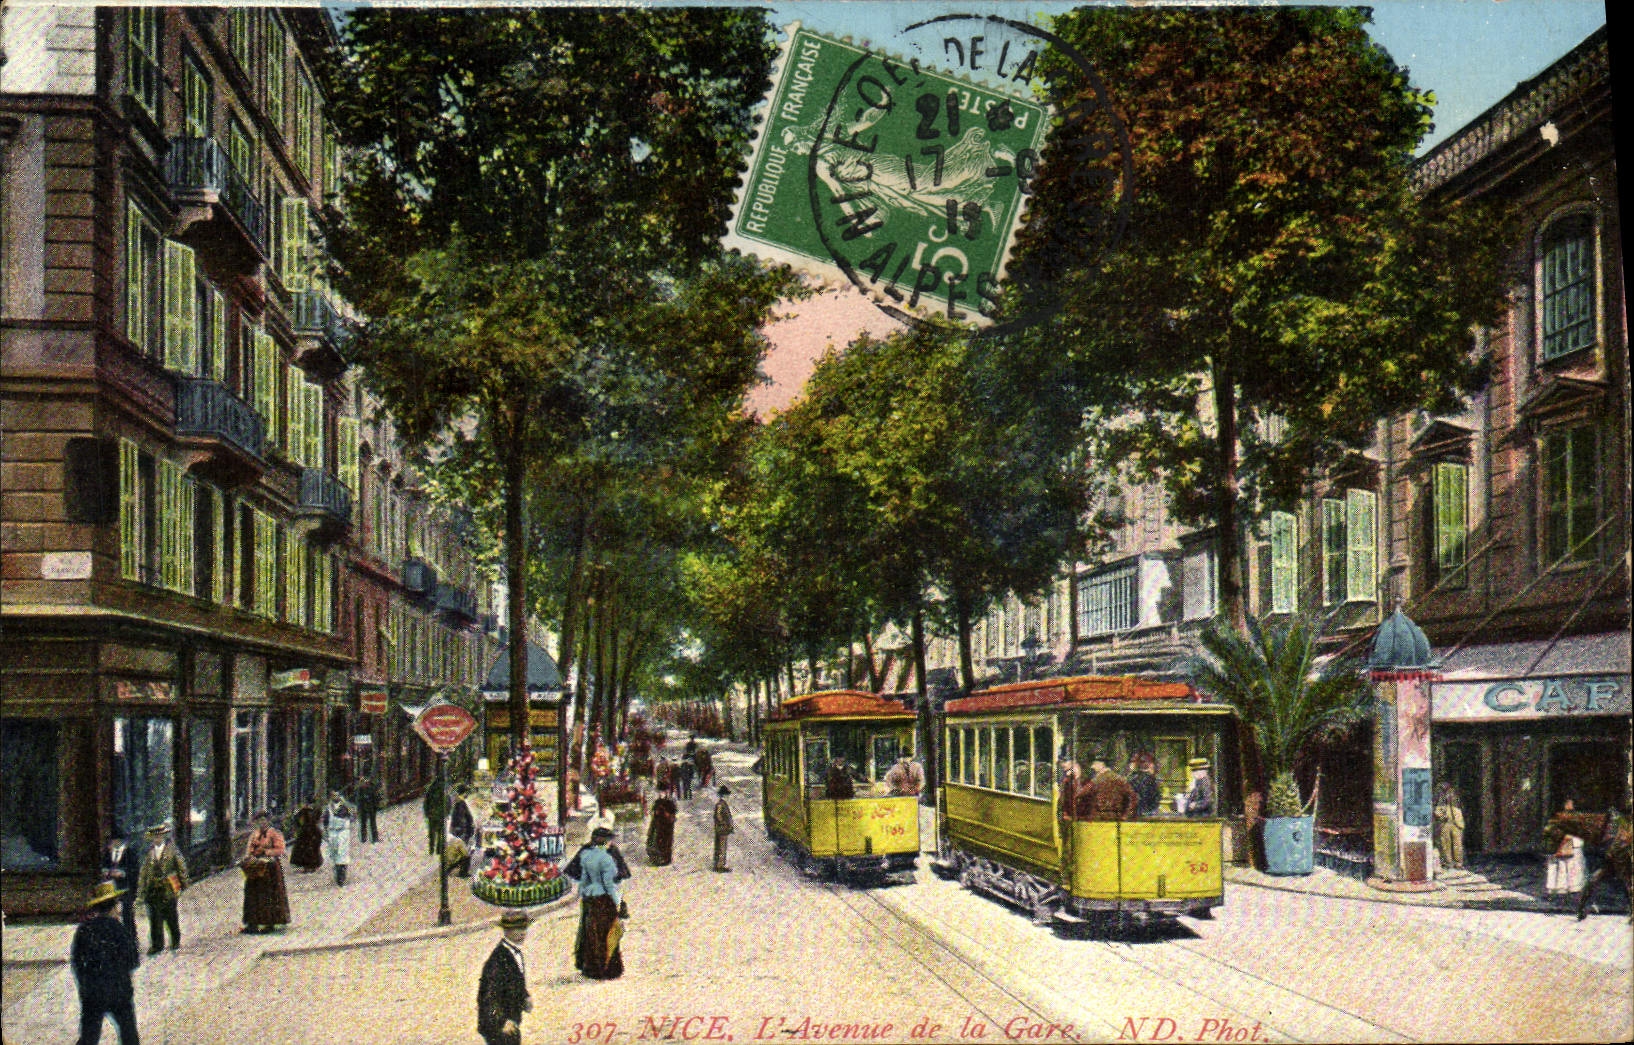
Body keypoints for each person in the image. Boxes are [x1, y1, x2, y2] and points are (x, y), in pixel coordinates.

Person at [71, 880, 141, 1045]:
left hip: (93, 992)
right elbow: (133, 961)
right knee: (128, 1034)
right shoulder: (120, 929)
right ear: (114, 906)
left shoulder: (84, 930)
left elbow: (77, 963)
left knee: (89, 1036)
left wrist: (85, 984)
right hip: (119, 992)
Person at [568, 827, 627, 980]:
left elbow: (578, 876)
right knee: (607, 931)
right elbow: (614, 882)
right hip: (605, 899)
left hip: (590, 898)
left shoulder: (586, 853)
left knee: (590, 930)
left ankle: (590, 965)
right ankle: (608, 968)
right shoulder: (608, 856)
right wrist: (619, 903)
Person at [477, 908, 533, 1045]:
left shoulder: (514, 953)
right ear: (507, 931)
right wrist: (502, 1022)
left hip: (511, 1021)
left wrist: (525, 996)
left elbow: (515, 980)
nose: (523, 933)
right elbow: (487, 997)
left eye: (524, 928)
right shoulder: (497, 960)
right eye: (518, 929)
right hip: (498, 1025)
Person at [135, 822, 188, 955]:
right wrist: (141, 891)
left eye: (159, 836)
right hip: (153, 890)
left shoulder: (172, 850)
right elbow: (144, 873)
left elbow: (181, 867)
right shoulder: (149, 853)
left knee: (171, 916)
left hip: (168, 888)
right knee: (155, 918)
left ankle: (175, 940)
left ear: (164, 837)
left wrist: (183, 884)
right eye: (155, 837)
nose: (157, 839)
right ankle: (157, 944)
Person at [240, 810, 291, 934]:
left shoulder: (274, 833)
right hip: (256, 866)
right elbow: (249, 849)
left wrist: (266, 852)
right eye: (259, 821)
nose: (261, 823)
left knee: (268, 894)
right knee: (253, 894)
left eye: (263, 820)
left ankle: (270, 922)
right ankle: (252, 923)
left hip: (270, 868)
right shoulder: (255, 834)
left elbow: (280, 849)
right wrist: (248, 857)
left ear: (268, 821)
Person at [99, 832, 141, 949]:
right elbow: (103, 866)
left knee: (127, 914)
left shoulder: (130, 853)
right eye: (112, 842)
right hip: (111, 888)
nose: (114, 844)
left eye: (116, 842)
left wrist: (123, 873)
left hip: (126, 888)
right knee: (110, 914)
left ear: (122, 842)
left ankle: (131, 939)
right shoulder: (107, 853)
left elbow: (134, 870)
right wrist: (106, 871)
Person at [1546, 798, 1586, 903]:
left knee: (1574, 868)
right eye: (1567, 803)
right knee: (1561, 868)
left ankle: (1574, 890)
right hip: (1561, 844)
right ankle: (1559, 892)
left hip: (1573, 843)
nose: (1569, 805)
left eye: (1571, 803)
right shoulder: (1558, 817)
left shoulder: (1577, 817)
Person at [322, 791, 353, 887]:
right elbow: (325, 821)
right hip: (333, 832)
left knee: (342, 853)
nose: (336, 797)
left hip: (343, 831)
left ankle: (342, 875)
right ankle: (337, 873)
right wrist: (325, 832)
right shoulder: (328, 808)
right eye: (334, 795)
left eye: (337, 795)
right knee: (334, 853)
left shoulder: (344, 807)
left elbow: (352, 815)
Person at [1433, 782, 1466, 871]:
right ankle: (1448, 862)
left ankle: (1458, 863)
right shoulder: (1439, 796)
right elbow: (1435, 808)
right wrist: (1441, 816)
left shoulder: (1455, 795)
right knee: (1445, 843)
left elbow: (1460, 807)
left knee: (1457, 843)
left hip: (1456, 822)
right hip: (1445, 822)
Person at [450, 784, 477, 878]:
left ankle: (454, 869)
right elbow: (462, 820)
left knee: (461, 852)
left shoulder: (459, 802)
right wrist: (466, 831)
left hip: (460, 831)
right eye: (467, 793)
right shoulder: (460, 803)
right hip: (462, 832)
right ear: (464, 793)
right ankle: (462, 872)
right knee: (465, 853)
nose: (467, 795)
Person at [646, 788, 678, 866]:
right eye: (660, 792)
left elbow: (673, 813)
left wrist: (668, 815)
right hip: (658, 825)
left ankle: (665, 858)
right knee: (655, 841)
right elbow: (653, 812)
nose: (662, 794)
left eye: (663, 792)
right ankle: (656, 858)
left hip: (666, 826)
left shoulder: (670, 802)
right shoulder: (657, 802)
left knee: (666, 842)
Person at [290, 802, 324, 873]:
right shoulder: (312, 810)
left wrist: (299, 826)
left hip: (308, 831)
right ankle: (309, 866)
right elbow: (296, 819)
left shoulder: (306, 810)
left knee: (310, 848)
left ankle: (310, 866)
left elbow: (296, 818)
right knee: (308, 848)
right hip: (309, 831)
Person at [712, 785, 734, 873]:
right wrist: (724, 823)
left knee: (720, 846)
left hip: (721, 828)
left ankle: (718, 864)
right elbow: (718, 815)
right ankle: (720, 865)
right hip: (722, 829)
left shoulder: (721, 803)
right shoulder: (721, 804)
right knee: (722, 847)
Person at [423, 781, 448, 857]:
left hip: (432, 816)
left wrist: (427, 813)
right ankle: (439, 849)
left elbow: (425, 804)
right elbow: (447, 803)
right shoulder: (443, 792)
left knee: (432, 833)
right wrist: (446, 813)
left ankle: (431, 849)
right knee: (441, 833)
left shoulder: (429, 792)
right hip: (440, 815)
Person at [354, 775, 381, 844]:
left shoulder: (371, 788)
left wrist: (375, 806)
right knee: (363, 823)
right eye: (362, 781)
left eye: (365, 780)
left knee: (372, 823)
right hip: (363, 808)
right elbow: (358, 800)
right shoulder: (359, 790)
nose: (364, 782)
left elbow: (376, 797)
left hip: (371, 807)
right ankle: (363, 839)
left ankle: (375, 839)